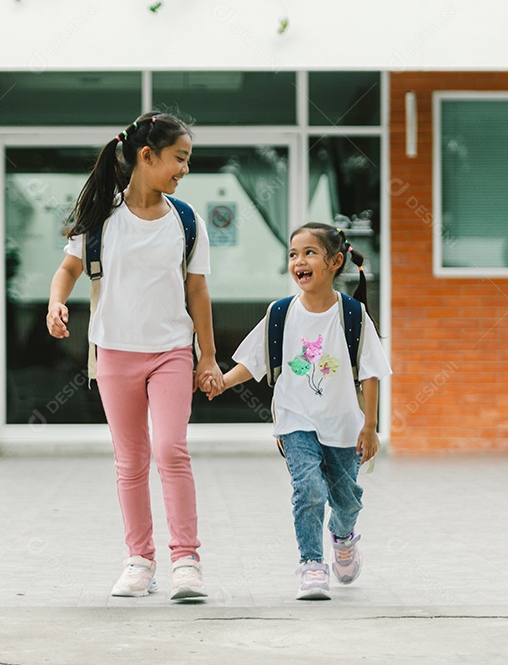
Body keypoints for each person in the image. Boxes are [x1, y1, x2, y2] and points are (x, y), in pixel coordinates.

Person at [46, 111, 223, 600]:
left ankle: (186, 560)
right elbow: (68, 269)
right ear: (148, 157)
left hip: (170, 352)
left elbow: (198, 291)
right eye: (179, 159)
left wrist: (207, 357)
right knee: (130, 460)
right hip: (115, 355)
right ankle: (139, 560)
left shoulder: (187, 221)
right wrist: (56, 301)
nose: (185, 169)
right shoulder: (102, 217)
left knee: (170, 450)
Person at [200, 222, 391, 600]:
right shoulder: (281, 313)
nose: (299, 261)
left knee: (347, 500)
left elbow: (371, 374)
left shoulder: (352, 315)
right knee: (308, 490)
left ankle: (343, 536)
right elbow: (254, 362)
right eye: (292, 254)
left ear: (336, 262)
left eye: (309, 253)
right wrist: (223, 380)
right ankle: (311, 565)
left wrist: (370, 427)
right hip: (295, 421)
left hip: (344, 426)